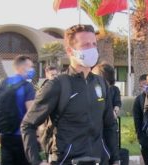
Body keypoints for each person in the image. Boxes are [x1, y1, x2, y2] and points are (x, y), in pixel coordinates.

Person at [21, 24, 120, 165]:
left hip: (100, 160)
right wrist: (36, 161)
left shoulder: (101, 83)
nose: (92, 49)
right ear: (70, 51)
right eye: (86, 45)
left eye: (94, 44)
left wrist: (115, 158)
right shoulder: (57, 85)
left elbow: (110, 125)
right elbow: (28, 124)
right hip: (67, 160)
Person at [0, 55, 36, 165]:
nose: (32, 69)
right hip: (22, 135)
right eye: (30, 66)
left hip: (5, 133)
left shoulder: (5, 83)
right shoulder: (27, 86)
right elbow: (31, 113)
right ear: (22, 68)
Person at [132, 74, 148, 165]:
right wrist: (140, 137)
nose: (144, 87)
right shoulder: (139, 99)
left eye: (145, 84)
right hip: (145, 137)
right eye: (141, 86)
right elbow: (137, 119)